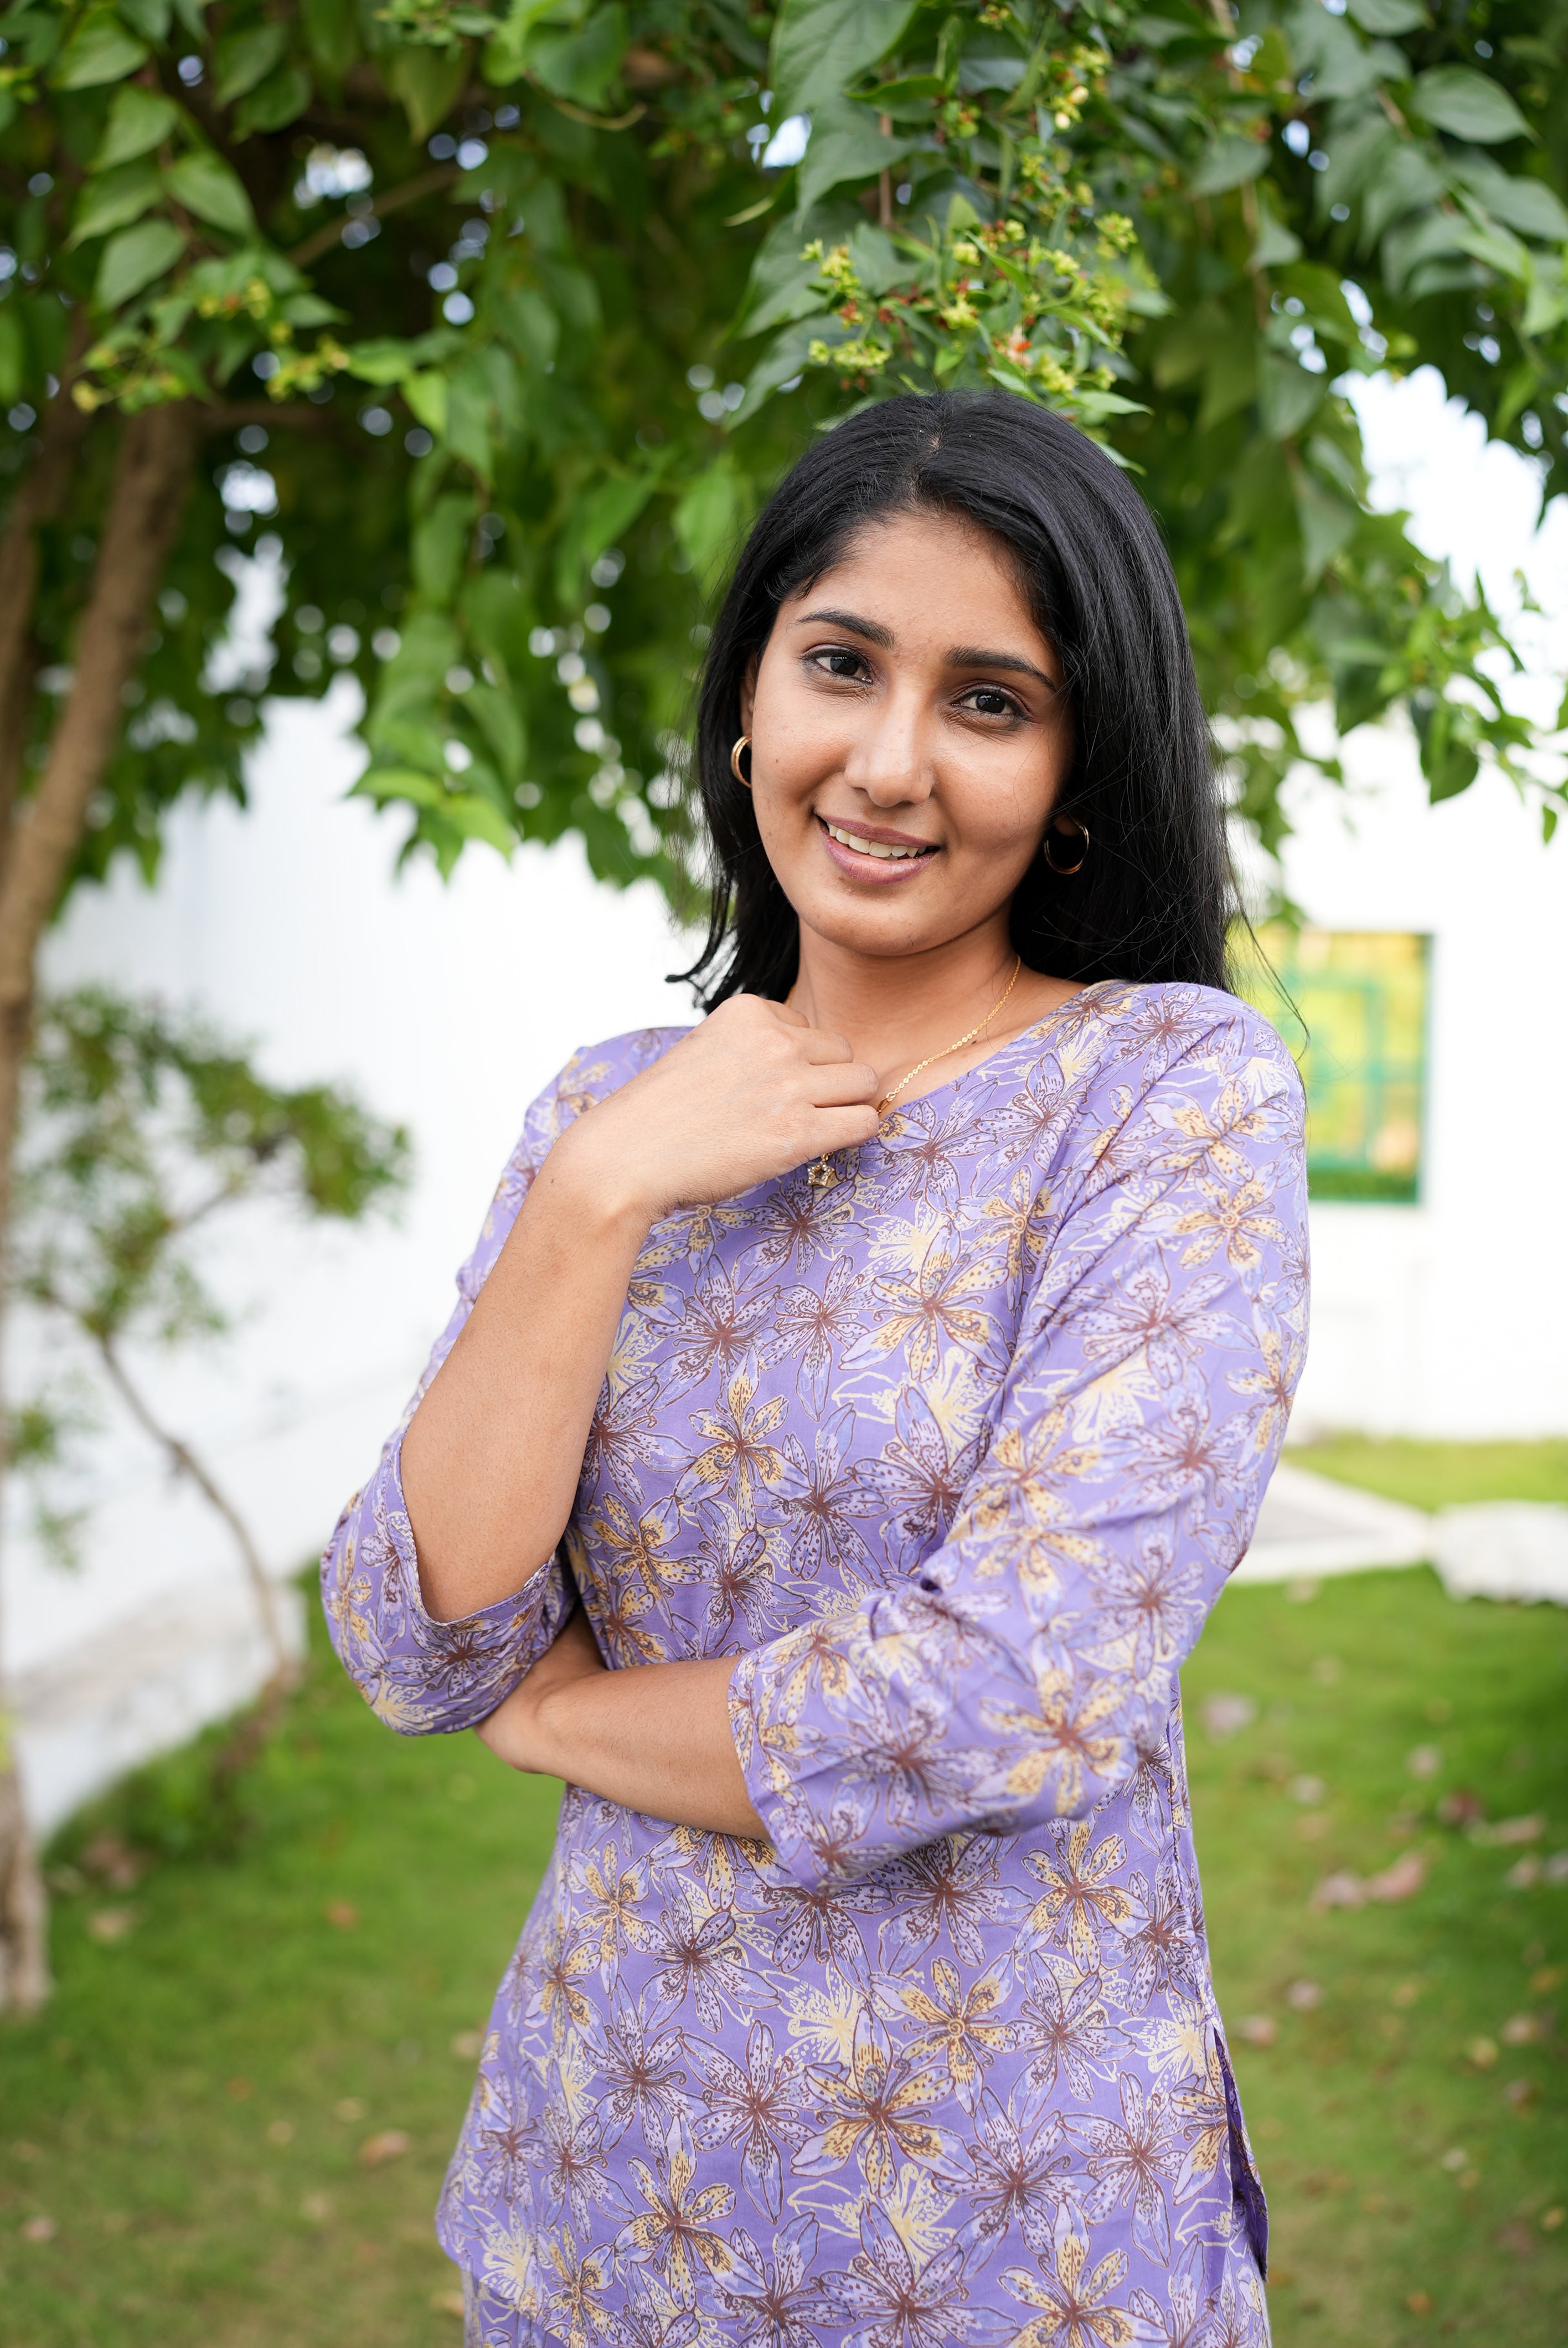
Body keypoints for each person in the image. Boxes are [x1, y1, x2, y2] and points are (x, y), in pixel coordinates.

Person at [323, 389, 1306, 2348]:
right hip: (598, 2202)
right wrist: (598, 1196)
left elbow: (1012, 1691)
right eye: (841, 665)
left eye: (989, 702)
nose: (888, 761)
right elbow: (412, 1635)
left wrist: (568, 1720)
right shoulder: (608, 1114)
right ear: (749, 700)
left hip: (1013, 2233)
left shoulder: (1163, 1098)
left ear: (1079, 769)